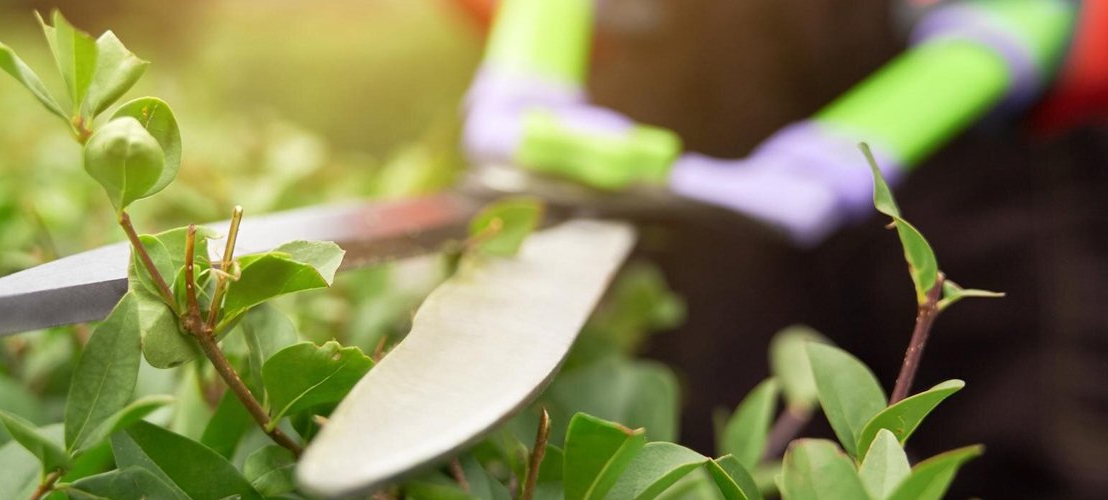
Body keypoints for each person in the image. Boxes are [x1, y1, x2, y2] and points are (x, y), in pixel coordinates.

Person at [455, 0, 1107, 497]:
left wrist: (992, 48)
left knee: (1015, 449)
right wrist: (528, 71)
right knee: (695, 432)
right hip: (683, 87)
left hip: (988, 149)